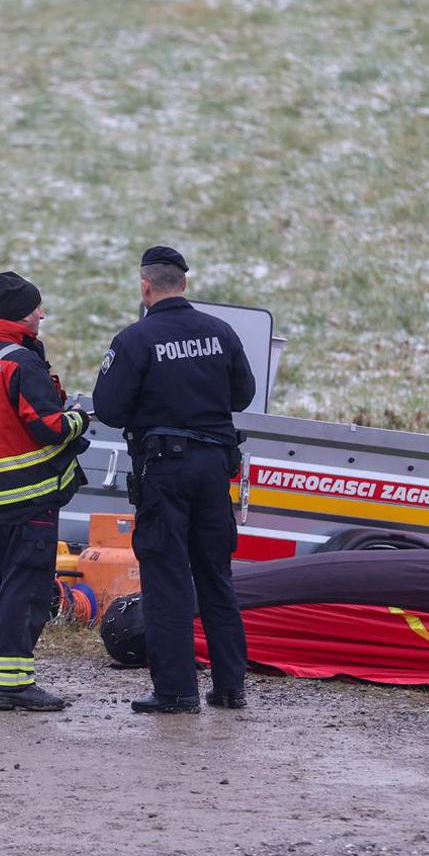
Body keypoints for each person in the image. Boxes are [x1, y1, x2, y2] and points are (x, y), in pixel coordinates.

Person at [91, 246, 255, 714]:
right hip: (214, 470)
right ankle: (229, 687)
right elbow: (243, 394)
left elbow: (109, 407)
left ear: (145, 287)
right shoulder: (221, 333)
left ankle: (176, 691)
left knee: (167, 579)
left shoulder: (136, 339)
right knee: (215, 576)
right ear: (183, 284)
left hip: (164, 471)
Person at [0, 271, 91, 711]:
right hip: (33, 494)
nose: (42, 314)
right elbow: (49, 427)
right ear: (24, 313)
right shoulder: (23, 362)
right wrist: (79, 418)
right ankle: (15, 684)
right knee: (28, 589)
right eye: (38, 308)